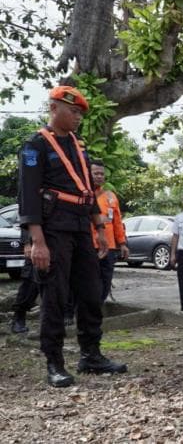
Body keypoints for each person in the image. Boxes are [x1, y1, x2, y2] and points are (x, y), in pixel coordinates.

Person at [18, 85, 127, 387]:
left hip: (81, 229)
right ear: (54, 109)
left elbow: (88, 191)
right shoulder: (35, 146)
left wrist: (101, 230)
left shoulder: (79, 146)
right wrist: (36, 241)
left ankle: (91, 355)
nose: (78, 117)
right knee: (55, 296)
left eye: (80, 113)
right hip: (53, 230)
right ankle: (54, 362)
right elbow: (28, 196)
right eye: (73, 111)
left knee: (91, 293)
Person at [90, 160, 129, 301]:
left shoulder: (111, 196)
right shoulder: (83, 195)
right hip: (89, 246)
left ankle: (97, 312)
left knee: (105, 281)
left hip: (110, 247)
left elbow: (117, 222)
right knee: (88, 282)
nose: (99, 176)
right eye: (96, 173)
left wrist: (122, 243)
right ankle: (74, 312)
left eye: (102, 174)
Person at [10, 231, 37, 334]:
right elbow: (27, 219)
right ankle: (18, 318)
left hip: (61, 242)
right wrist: (27, 243)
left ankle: (67, 314)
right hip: (36, 243)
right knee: (30, 283)